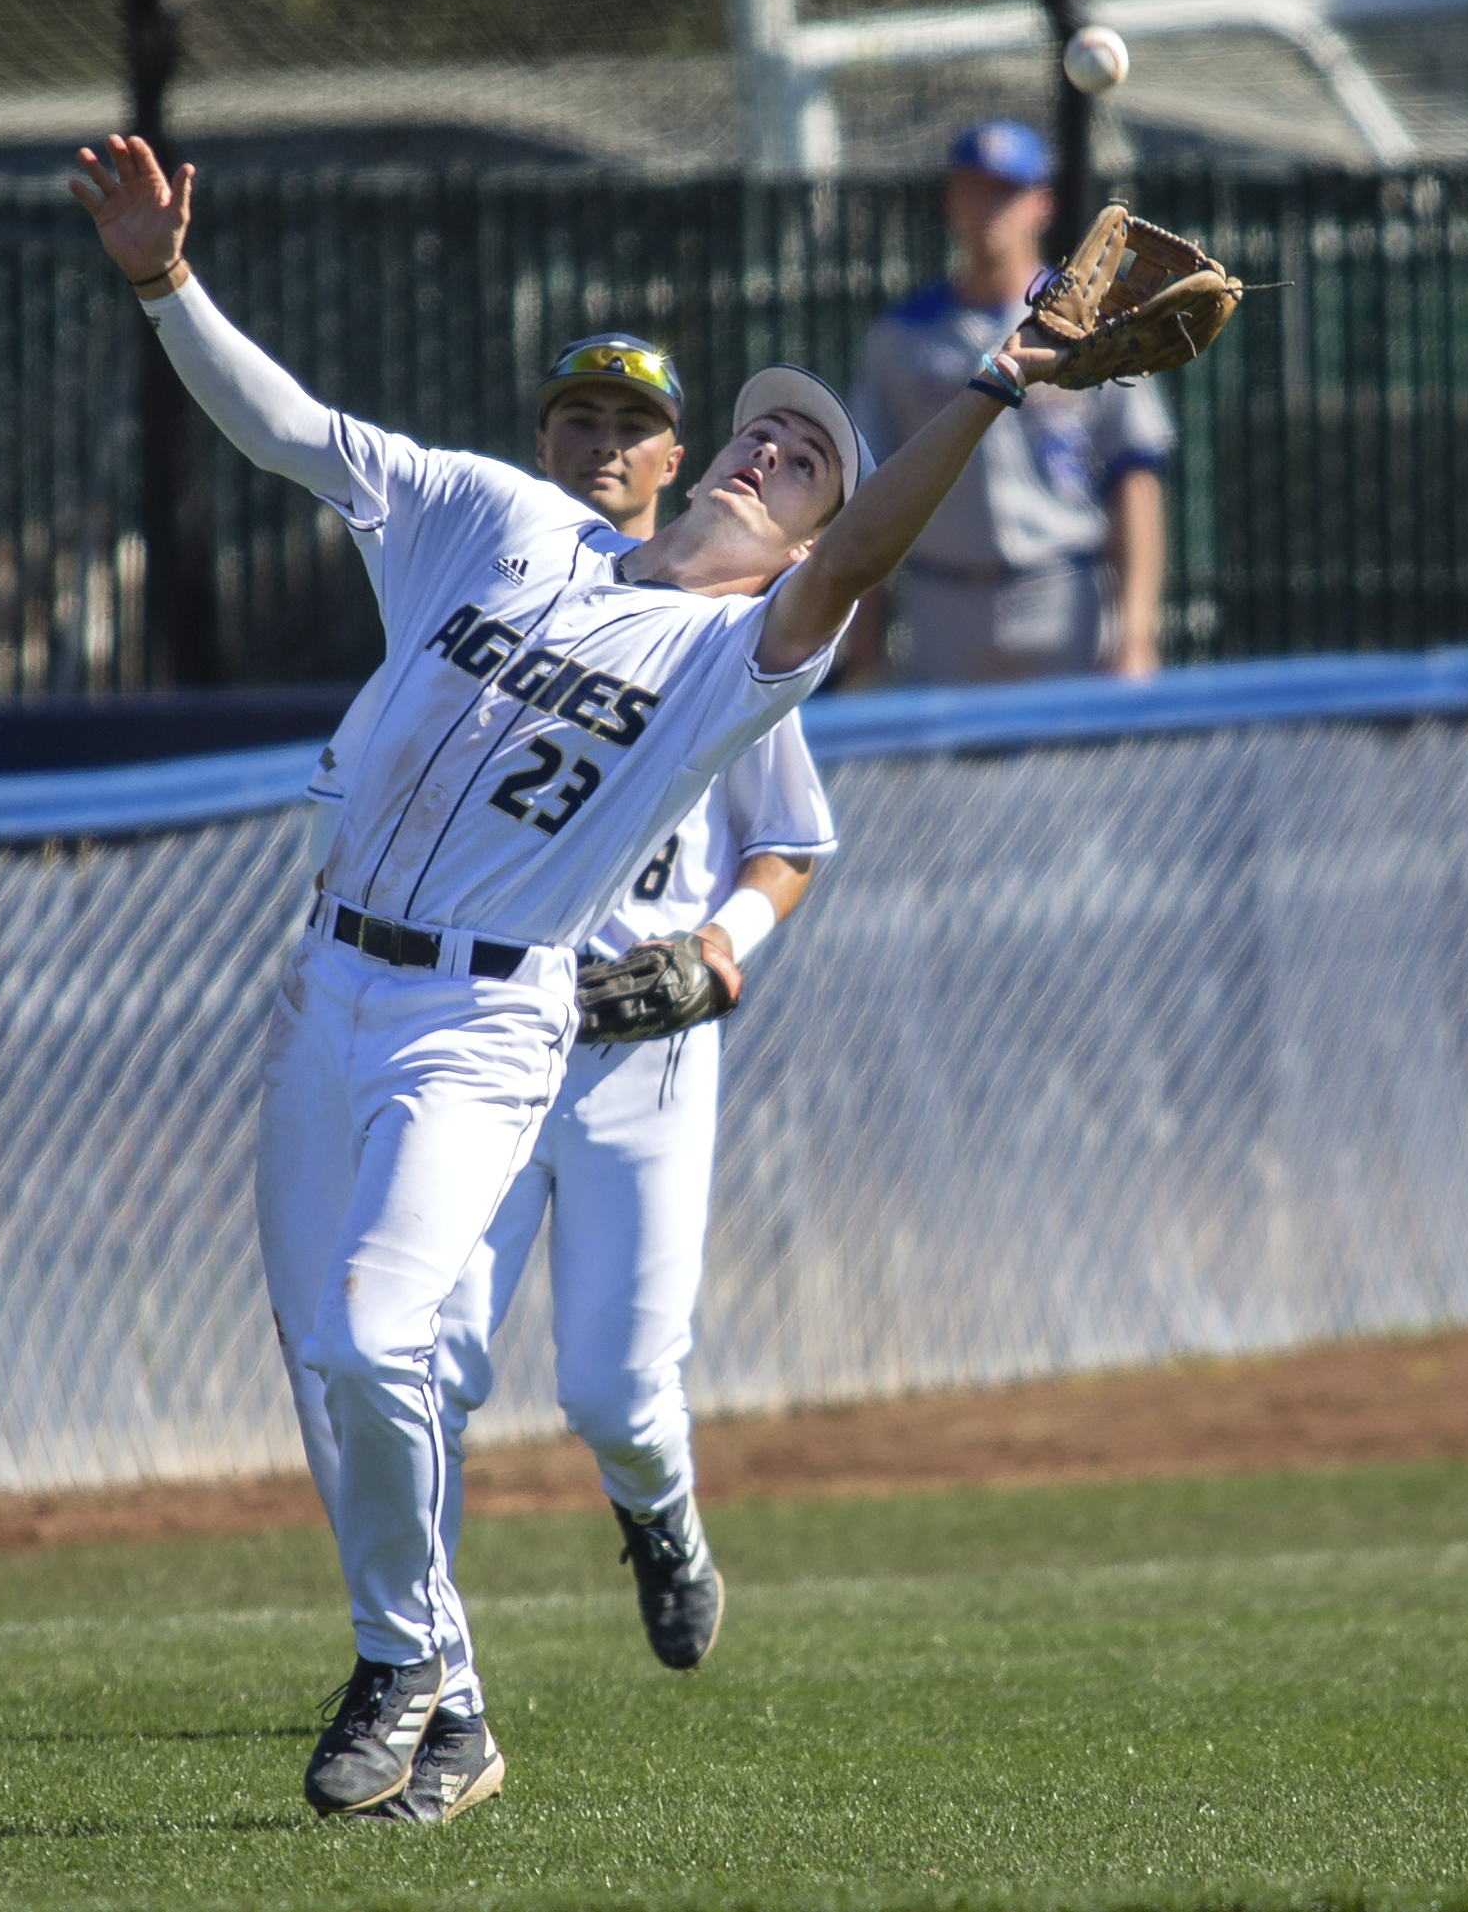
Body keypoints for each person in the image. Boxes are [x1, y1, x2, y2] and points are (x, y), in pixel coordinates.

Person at [71, 131, 1064, 1827]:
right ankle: (443, 1701)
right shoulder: (504, 518)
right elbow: (296, 432)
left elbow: (863, 568)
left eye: (808, 460)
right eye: (760, 429)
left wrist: (984, 386)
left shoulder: (729, 660)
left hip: (482, 1019)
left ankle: (412, 1659)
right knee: (334, 1355)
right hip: (322, 992)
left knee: (402, 1335)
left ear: (802, 535)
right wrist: (167, 283)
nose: (773, 450)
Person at [294, 334, 833, 1707]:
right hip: (472, 1029)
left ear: (675, 456)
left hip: (638, 1055)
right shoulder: (505, 572)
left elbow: (788, 845)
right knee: (434, 1360)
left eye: (633, 421)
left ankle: (660, 1514)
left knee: (612, 1392)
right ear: (542, 444)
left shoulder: (733, 623)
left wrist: (722, 942)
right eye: (578, 415)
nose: (603, 439)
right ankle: (427, 1672)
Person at [848, 119, 1177, 684]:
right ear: (952, 200)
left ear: (1041, 204)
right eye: (975, 188)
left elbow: (1135, 479)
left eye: (1007, 190)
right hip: (942, 600)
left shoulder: (1094, 327)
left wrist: (1137, 634)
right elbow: (869, 496)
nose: (989, 208)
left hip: (1062, 591)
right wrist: (864, 650)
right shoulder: (902, 338)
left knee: (1078, 770)